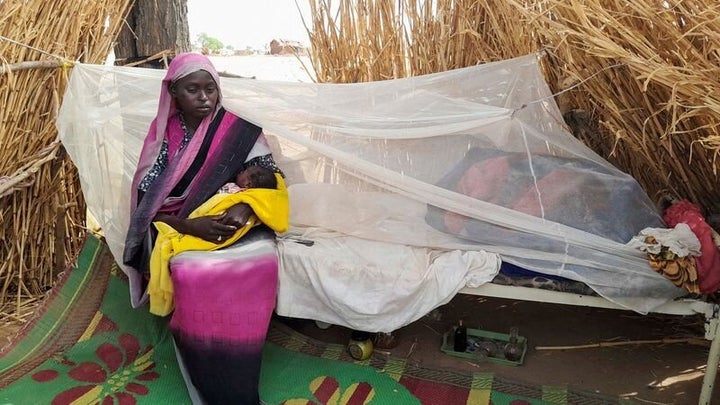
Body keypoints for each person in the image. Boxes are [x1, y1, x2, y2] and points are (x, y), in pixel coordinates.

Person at [123, 52, 288, 405]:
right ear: (174, 95)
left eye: (210, 89)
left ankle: (240, 369)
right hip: (181, 226)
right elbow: (146, 207)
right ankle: (211, 378)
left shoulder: (239, 130)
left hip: (238, 223)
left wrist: (245, 207)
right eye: (192, 90)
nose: (204, 98)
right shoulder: (162, 140)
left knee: (258, 264)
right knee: (192, 272)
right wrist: (189, 224)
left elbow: (272, 177)